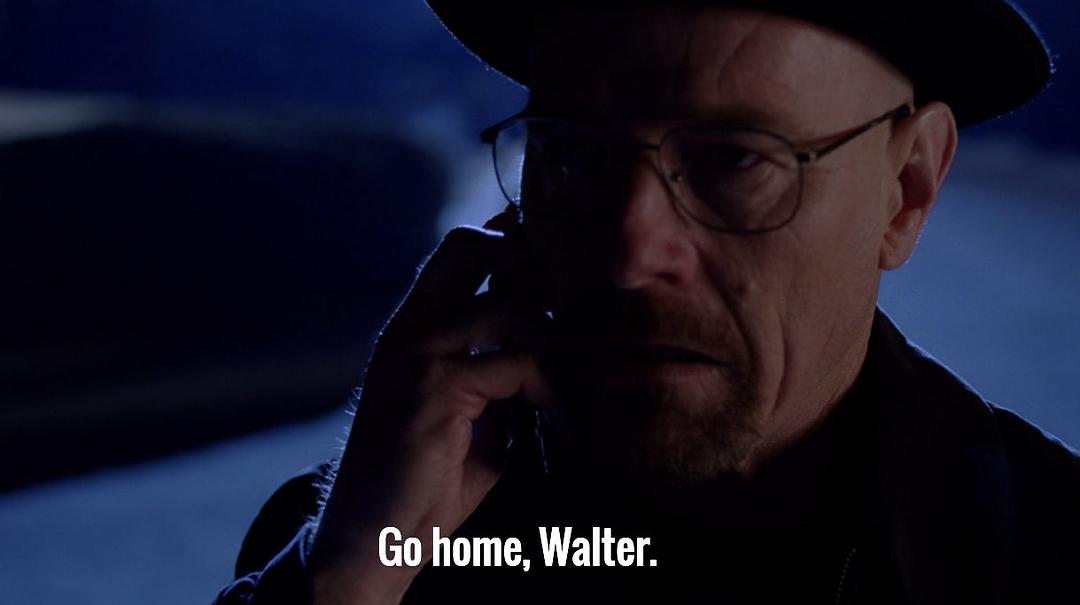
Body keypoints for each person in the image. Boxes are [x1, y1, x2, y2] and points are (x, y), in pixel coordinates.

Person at [216, 1, 1080, 603]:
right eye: (571, 153)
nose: (628, 255)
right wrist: (347, 583)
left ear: (907, 188)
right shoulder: (374, 538)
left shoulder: (1045, 561)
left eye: (734, 158)